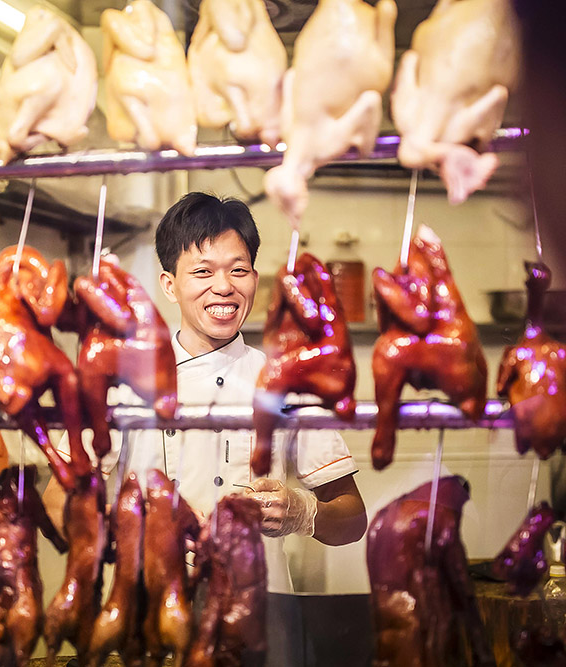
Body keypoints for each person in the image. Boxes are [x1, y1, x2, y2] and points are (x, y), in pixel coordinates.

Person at [44, 193, 367, 656]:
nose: (224, 287)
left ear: (254, 277)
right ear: (169, 284)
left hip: (262, 607)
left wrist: (303, 511)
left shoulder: (285, 382)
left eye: (238, 270)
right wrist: (127, 530)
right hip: (149, 601)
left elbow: (352, 518)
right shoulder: (122, 382)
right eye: (202, 271)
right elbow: (55, 503)